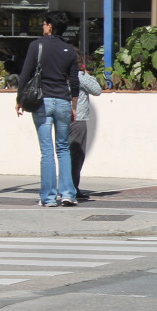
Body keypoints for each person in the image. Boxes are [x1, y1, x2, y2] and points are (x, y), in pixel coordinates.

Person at [16, 11, 79, 207]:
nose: (43, 27)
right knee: (63, 148)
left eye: (44, 24)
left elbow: (25, 74)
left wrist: (19, 99)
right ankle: (68, 193)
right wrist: (73, 106)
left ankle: (49, 197)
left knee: (47, 151)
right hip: (62, 102)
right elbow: (74, 82)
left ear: (50, 26)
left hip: (42, 102)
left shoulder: (37, 46)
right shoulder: (70, 50)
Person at [70, 56, 103, 200]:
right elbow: (97, 90)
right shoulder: (78, 76)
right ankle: (72, 186)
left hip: (60, 116)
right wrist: (85, 74)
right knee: (76, 154)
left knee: (63, 152)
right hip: (77, 117)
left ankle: (66, 186)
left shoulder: (58, 74)